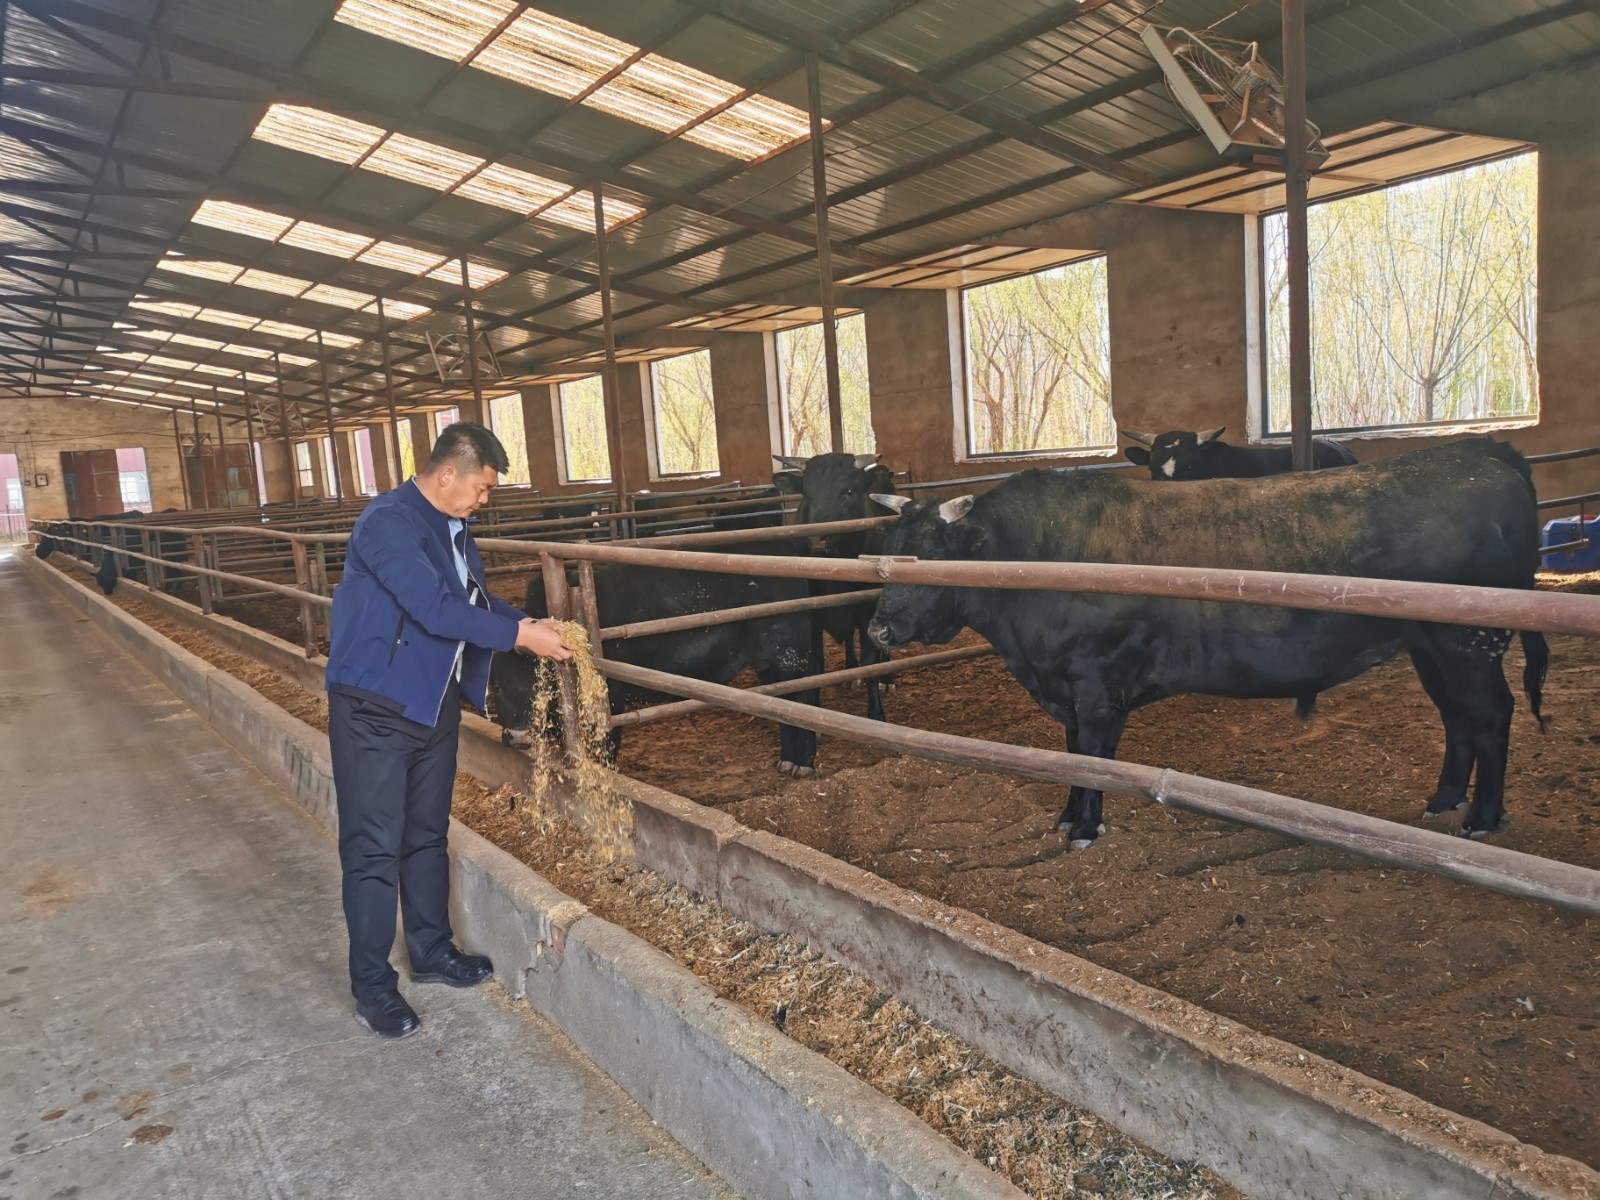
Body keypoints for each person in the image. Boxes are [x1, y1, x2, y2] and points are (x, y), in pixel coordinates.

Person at [324, 421, 571, 1039]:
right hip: (375, 708)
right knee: (374, 848)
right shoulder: (387, 523)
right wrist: (521, 638)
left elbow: (474, 602)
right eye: (483, 488)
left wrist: (527, 621)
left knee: (427, 834)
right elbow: (433, 609)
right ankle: (373, 988)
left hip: (431, 705)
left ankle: (431, 951)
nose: (486, 500)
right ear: (446, 475)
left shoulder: (457, 530)